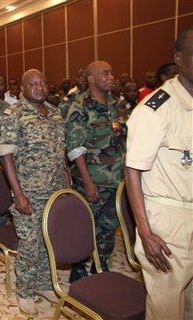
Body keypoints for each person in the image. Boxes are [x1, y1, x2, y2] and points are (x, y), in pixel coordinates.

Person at [124, 26, 193, 320]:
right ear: (179, 58)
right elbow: (132, 171)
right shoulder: (155, 109)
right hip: (168, 221)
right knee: (166, 307)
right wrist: (145, 231)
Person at [0, 69, 70, 316]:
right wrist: (17, 193)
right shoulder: (14, 114)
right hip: (28, 191)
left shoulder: (55, 113)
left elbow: (61, 152)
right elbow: (6, 155)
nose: (39, 87)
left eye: (43, 83)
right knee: (30, 243)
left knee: (47, 239)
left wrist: (67, 183)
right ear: (23, 88)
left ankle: (42, 283)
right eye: (33, 84)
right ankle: (25, 291)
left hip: (55, 190)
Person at [65, 60, 125, 282]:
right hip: (93, 178)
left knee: (109, 225)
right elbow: (75, 147)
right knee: (86, 224)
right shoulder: (80, 106)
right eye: (105, 74)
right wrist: (88, 181)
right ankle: (79, 266)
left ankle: (101, 263)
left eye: (111, 73)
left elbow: (124, 141)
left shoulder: (116, 104)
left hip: (116, 178)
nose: (111, 77)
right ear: (91, 79)